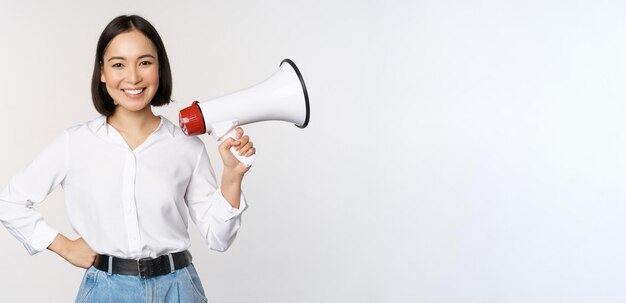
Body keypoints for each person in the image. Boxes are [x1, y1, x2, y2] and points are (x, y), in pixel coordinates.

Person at [0, 15, 254, 302]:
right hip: (106, 292)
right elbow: (10, 202)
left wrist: (232, 176)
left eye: (145, 62)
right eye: (118, 64)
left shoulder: (187, 146)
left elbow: (219, 239)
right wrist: (63, 246)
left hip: (179, 289)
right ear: (102, 72)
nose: (133, 77)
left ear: (160, 68)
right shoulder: (75, 143)